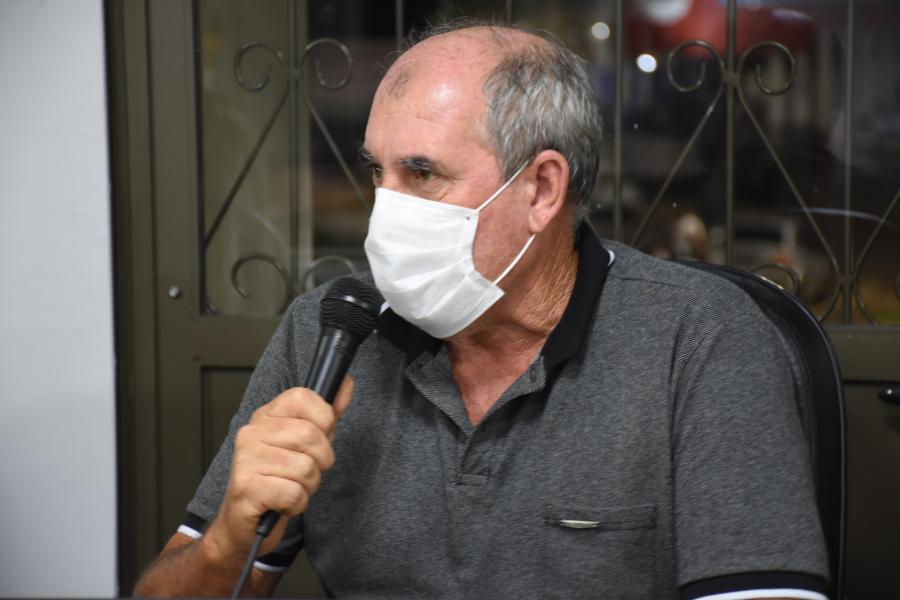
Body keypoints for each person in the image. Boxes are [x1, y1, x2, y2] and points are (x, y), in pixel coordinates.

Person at [134, 20, 830, 600]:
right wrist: (228, 538)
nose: (386, 211)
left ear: (542, 190)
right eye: (377, 172)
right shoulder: (330, 332)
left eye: (422, 174)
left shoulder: (702, 340)